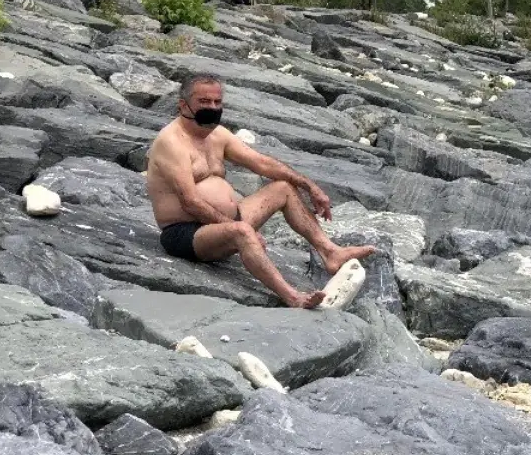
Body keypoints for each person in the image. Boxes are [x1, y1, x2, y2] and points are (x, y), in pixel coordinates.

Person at [146, 74, 375, 308]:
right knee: (242, 232)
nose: (213, 107)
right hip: (185, 233)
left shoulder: (217, 135)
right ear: (184, 105)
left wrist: (309, 186)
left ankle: (330, 252)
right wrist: (236, 227)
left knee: (283, 188)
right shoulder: (171, 142)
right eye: (204, 102)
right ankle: (293, 296)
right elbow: (190, 201)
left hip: (227, 221)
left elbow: (262, 164)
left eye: (217, 102)